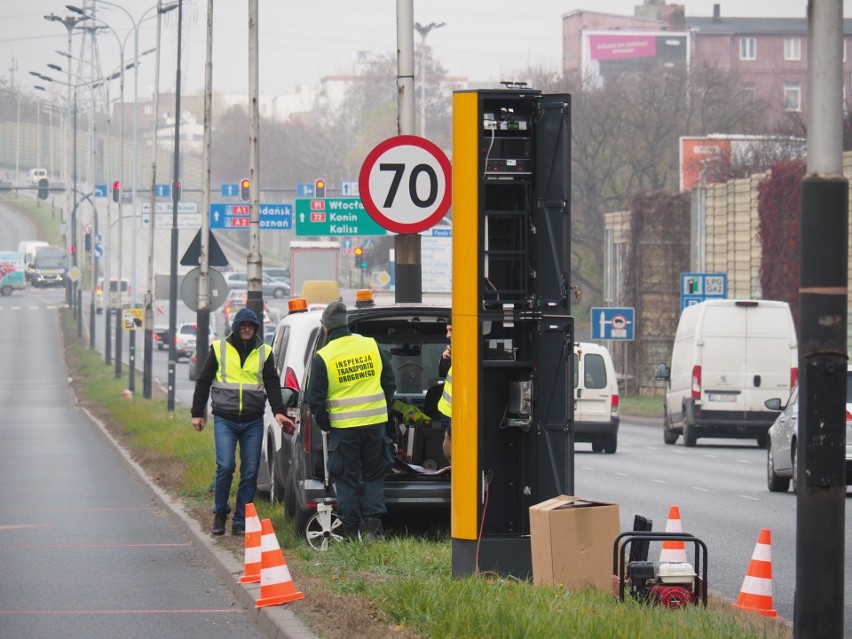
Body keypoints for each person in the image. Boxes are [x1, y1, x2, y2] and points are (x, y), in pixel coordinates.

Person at [191, 308, 292, 537]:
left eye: (251, 326)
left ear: (256, 329)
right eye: (243, 325)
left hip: (253, 420)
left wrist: (279, 411)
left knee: (250, 471)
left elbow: (272, 384)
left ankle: (241, 521)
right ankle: (220, 514)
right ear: (236, 327)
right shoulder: (219, 348)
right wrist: (197, 413)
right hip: (225, 419)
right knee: (225, 466)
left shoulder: (265, 352)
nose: (247, 329)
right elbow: (204, 381)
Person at [306, 301, 396, 541]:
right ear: (346, 323)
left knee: (346, 478)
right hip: (375, 425)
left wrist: (326, 424)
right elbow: (389, 383)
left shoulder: (323, 356)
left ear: (325, 328)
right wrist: (383, 410)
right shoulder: (370, 345)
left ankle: (349, 530)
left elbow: (314, 399)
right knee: (374, 475)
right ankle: (373, 529)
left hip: (343, 430)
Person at [437, 323, 452, 463]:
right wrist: (446, 360)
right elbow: (443, 374)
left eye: (451, 330)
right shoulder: (454, 351)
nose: (447, 335)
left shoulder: (471, 350)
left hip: (458, 417)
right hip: (447, 412)